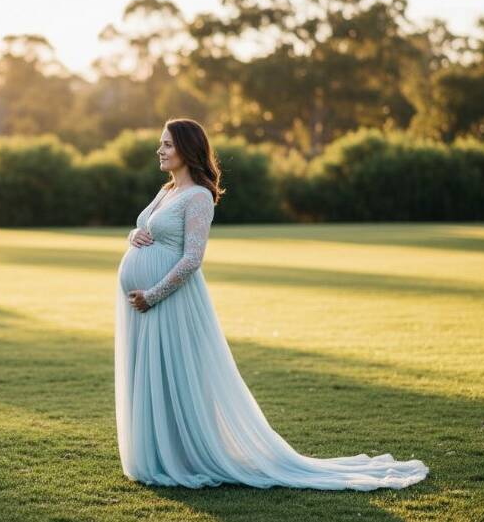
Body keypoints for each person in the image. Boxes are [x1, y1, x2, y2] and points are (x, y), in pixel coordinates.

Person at [114, 117, 430, 490]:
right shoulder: (167, 190)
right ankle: (162, 452)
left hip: (168, 302)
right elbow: (144, 226)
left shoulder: (198, 196)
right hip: (143, 308)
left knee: (176, 376)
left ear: (187, 149)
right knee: (153, 377)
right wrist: (135, 234)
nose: (160, 150)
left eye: (167, 144)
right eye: (161, 144)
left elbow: (193, 258)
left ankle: (183, 456)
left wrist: (152, 295)